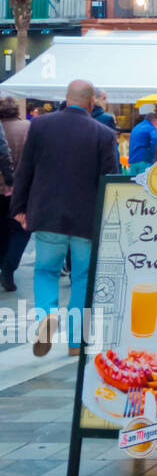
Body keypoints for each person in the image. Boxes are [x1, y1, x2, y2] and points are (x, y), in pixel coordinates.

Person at [12, 80, 119, 356]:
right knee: (83, 276)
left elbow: (26, 169)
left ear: (66, 98)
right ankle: (76, 341)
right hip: (86, 219)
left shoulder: (41, 126)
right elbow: (111, 180)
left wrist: (19, 207)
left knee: (46, 271)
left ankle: (47, 316)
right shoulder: (104, 134)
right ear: (91, 103)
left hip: (48, 214)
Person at [0, 96, 30, 292]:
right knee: (22, 229)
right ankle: (9, 267)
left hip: (1, 188)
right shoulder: (27, 127)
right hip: (21, 188)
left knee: (2, 227)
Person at [127, 106, 157, 175]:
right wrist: (155, 157)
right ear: (154, 121)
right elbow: (155, 141)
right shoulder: (151, 128)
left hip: (133, 161)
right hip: (145, 161)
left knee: (132, 184)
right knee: (144, 184)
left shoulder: (136, 127)